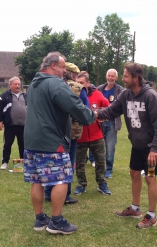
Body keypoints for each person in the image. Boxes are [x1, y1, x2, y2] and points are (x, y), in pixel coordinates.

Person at [23, 52, 95, 235]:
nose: (65, 71)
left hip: (32, 141)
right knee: (62, 179)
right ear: (53, 65)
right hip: (52, 142)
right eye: (63, 67)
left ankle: (40, 219)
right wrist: (91, 115)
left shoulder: (33, 84)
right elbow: (75, 106)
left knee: (37, 180)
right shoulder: (55, 84)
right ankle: (56, 221)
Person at [95, 62, 157, 229]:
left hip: (150, 148)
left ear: (136, 77)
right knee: (134, 173)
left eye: (126, 76)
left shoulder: (150, 96)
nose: (123, 79)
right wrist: (94, 114)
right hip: (137, 146)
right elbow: (111, 111)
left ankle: (152, 216)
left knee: (149, 177)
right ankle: (135, 209)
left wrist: (155, 149)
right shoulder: (126, 94)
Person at [44, 62, 89, 205]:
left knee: (51, 161)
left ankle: (47, 192)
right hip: (71, 132)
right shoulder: (78, 88)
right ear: (74, 74)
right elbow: (85, 110)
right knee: (68, 162)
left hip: (52, 131)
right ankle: (65, 195)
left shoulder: (49, 86)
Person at [73, 73, 111, 195]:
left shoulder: (97, 94)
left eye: (82, 82)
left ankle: (102, 184)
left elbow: (109, 108)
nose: (79, 85)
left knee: (100, 161)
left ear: (88, 83)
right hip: (80, 136)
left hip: (96, 135)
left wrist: (98, 113)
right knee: (79, 163)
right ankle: (81, 184)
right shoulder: (73, 96)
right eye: (77, 82)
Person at [96, 69, 124, 178]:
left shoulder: (120, 90)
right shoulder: (99, 89)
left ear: (116, 78)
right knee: (98, 147)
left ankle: (108, 169)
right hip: (99, 123)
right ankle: (99, 168)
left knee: (110, 147)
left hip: (112, 123)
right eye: (109, 75)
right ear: (106, 76)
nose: (110, 78)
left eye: (113, 76)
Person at [0, 76, 27, 170]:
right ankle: (4, 162)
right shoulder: (3, 96)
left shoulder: (26, 95)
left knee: (23, 144)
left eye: (19, 84)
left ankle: (23, 162)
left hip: (23, 125)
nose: (17, 86)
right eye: (15, 84)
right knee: (7, 144)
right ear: (10, 85)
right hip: (10, 125)